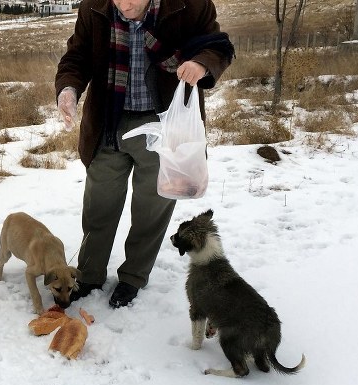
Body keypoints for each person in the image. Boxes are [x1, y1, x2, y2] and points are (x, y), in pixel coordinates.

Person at [55, 0, 234, 308]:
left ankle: (132, 278)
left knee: (151, 209)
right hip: (108, 124)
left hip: (164, 126)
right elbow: (78, 55)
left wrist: (201, 64)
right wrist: (68, 89)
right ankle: (89, 274)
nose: (124, 4)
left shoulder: (189, 5)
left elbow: (218, 46)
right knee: (99, 206)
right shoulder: (93, 7)